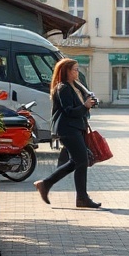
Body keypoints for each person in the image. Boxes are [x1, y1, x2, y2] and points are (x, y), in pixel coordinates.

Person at [33, 58, 101, 209]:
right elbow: (69, 111)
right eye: (75, 69)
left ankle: (46, 184)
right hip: (68, 128)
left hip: (76, 127)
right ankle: (82, 198)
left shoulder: (75, 86)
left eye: (77, 69)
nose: (77, 72)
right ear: (67, 71)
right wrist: (85, 106)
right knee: (82, 161)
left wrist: (90, 103)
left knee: (76, 161)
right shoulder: (63, 88)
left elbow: (81, 106)